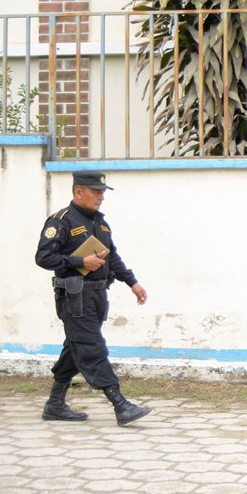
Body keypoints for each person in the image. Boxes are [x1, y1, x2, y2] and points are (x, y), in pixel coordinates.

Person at [35, 171, 151, 426]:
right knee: (91, 348)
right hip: (74, 296)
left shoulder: (101, 223)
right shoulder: (61, 222)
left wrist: (132, 282)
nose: (101, 197)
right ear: (79, 192)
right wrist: (79, 261)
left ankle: (55, 404)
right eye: (96, 192)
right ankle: (120, 404)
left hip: (98, 295)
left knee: (76, 347)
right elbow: (43, 258)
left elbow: (112, 257)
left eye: (102, 193)